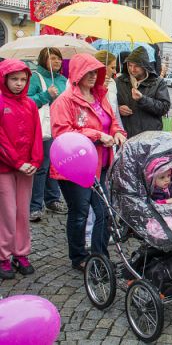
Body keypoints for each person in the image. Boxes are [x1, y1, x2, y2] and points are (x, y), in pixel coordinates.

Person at [50, 53, 126, 271]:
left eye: (96, 72)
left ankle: (99, 256)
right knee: (80, 211)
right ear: (77, 73)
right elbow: (63, 133)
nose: (93, 76)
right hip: (74, 168)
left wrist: (118, 133)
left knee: (103, 211)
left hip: (100, 164)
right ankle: (78, 257)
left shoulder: (100, 97)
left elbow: (111, 123)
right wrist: (96, 135)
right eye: (89, 72)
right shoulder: (64, 101)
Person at [0, 59, 43, 279]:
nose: (18, 83)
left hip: (26, 167)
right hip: (4, 168)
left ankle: (21, 252)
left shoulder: (29, 105)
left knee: (23, 212)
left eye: (23, 79)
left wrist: (35, 161)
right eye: (14, 79)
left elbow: (37, 135)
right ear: (4, 79)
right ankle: (3, 255)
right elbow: (1, 139)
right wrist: (17, 162)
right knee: (7, 212)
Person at [27, 47, 68, 221]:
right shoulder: (36, 78)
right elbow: (27, 101)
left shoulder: (64, 80)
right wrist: (46, 95)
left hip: (60, 128)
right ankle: (35, 206)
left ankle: (52, 199)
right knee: (42, 166)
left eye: (59, 59)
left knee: (56, 165)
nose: (57, 62)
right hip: (43, 129)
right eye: (53, 58)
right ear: (44, 60)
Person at [116, 47, 171, 137]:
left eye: (136, 66)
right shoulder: (119, 82)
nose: (132, 69)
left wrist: (142, 99)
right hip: (126, 136)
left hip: (150, 137)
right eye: (130, 65)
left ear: (144, 66)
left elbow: (164, 108)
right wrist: (118, 108)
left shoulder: (157, 82)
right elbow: (109, 106)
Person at [95, 51, 122, 128]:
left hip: (112, 128)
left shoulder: (112, 82)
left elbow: (115, 112)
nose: (115, 72)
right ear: (102, 66)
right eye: (112, 68)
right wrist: (100, 88)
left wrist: (120, 130)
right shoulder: (89, 83)